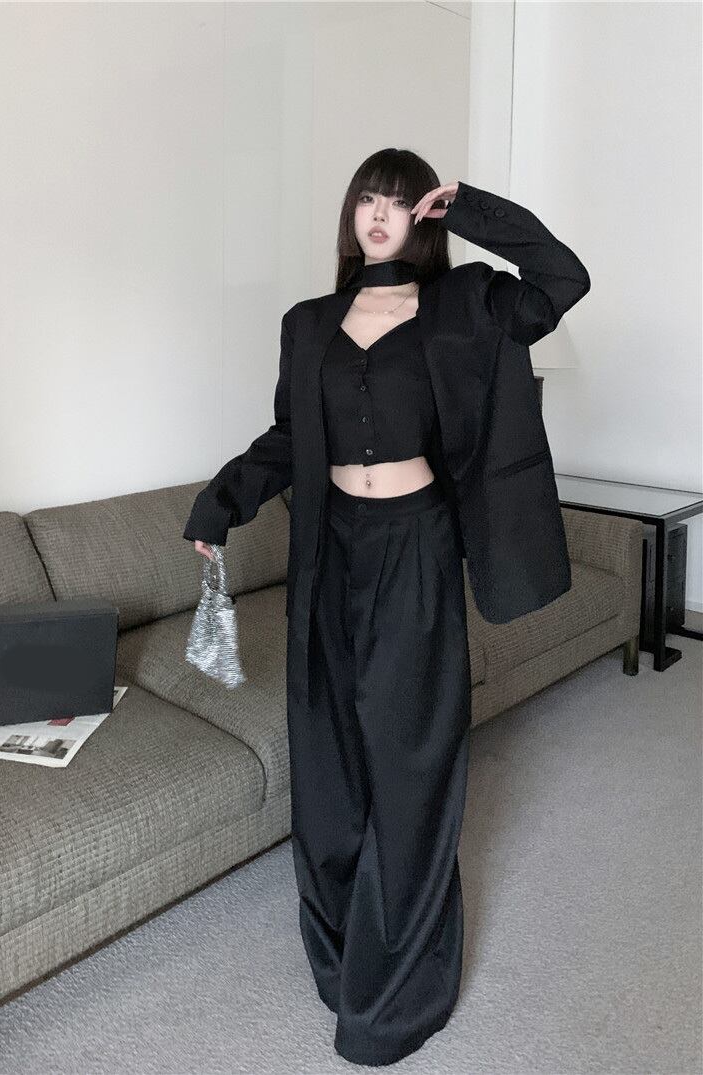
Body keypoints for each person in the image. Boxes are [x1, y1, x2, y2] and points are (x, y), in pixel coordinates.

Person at [183, 148, 591, 1065]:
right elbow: (292, 435)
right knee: (329, 757)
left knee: (410, 756)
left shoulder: (467, 305)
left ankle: (400, 988)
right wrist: (223, 500)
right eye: (368, 197)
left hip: (416, 546)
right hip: (330, 552)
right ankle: (342, 952)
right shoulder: (308, 323)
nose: (379, 213)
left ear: (422, 218)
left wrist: (473, 208)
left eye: (399, 202)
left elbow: (563, 279)